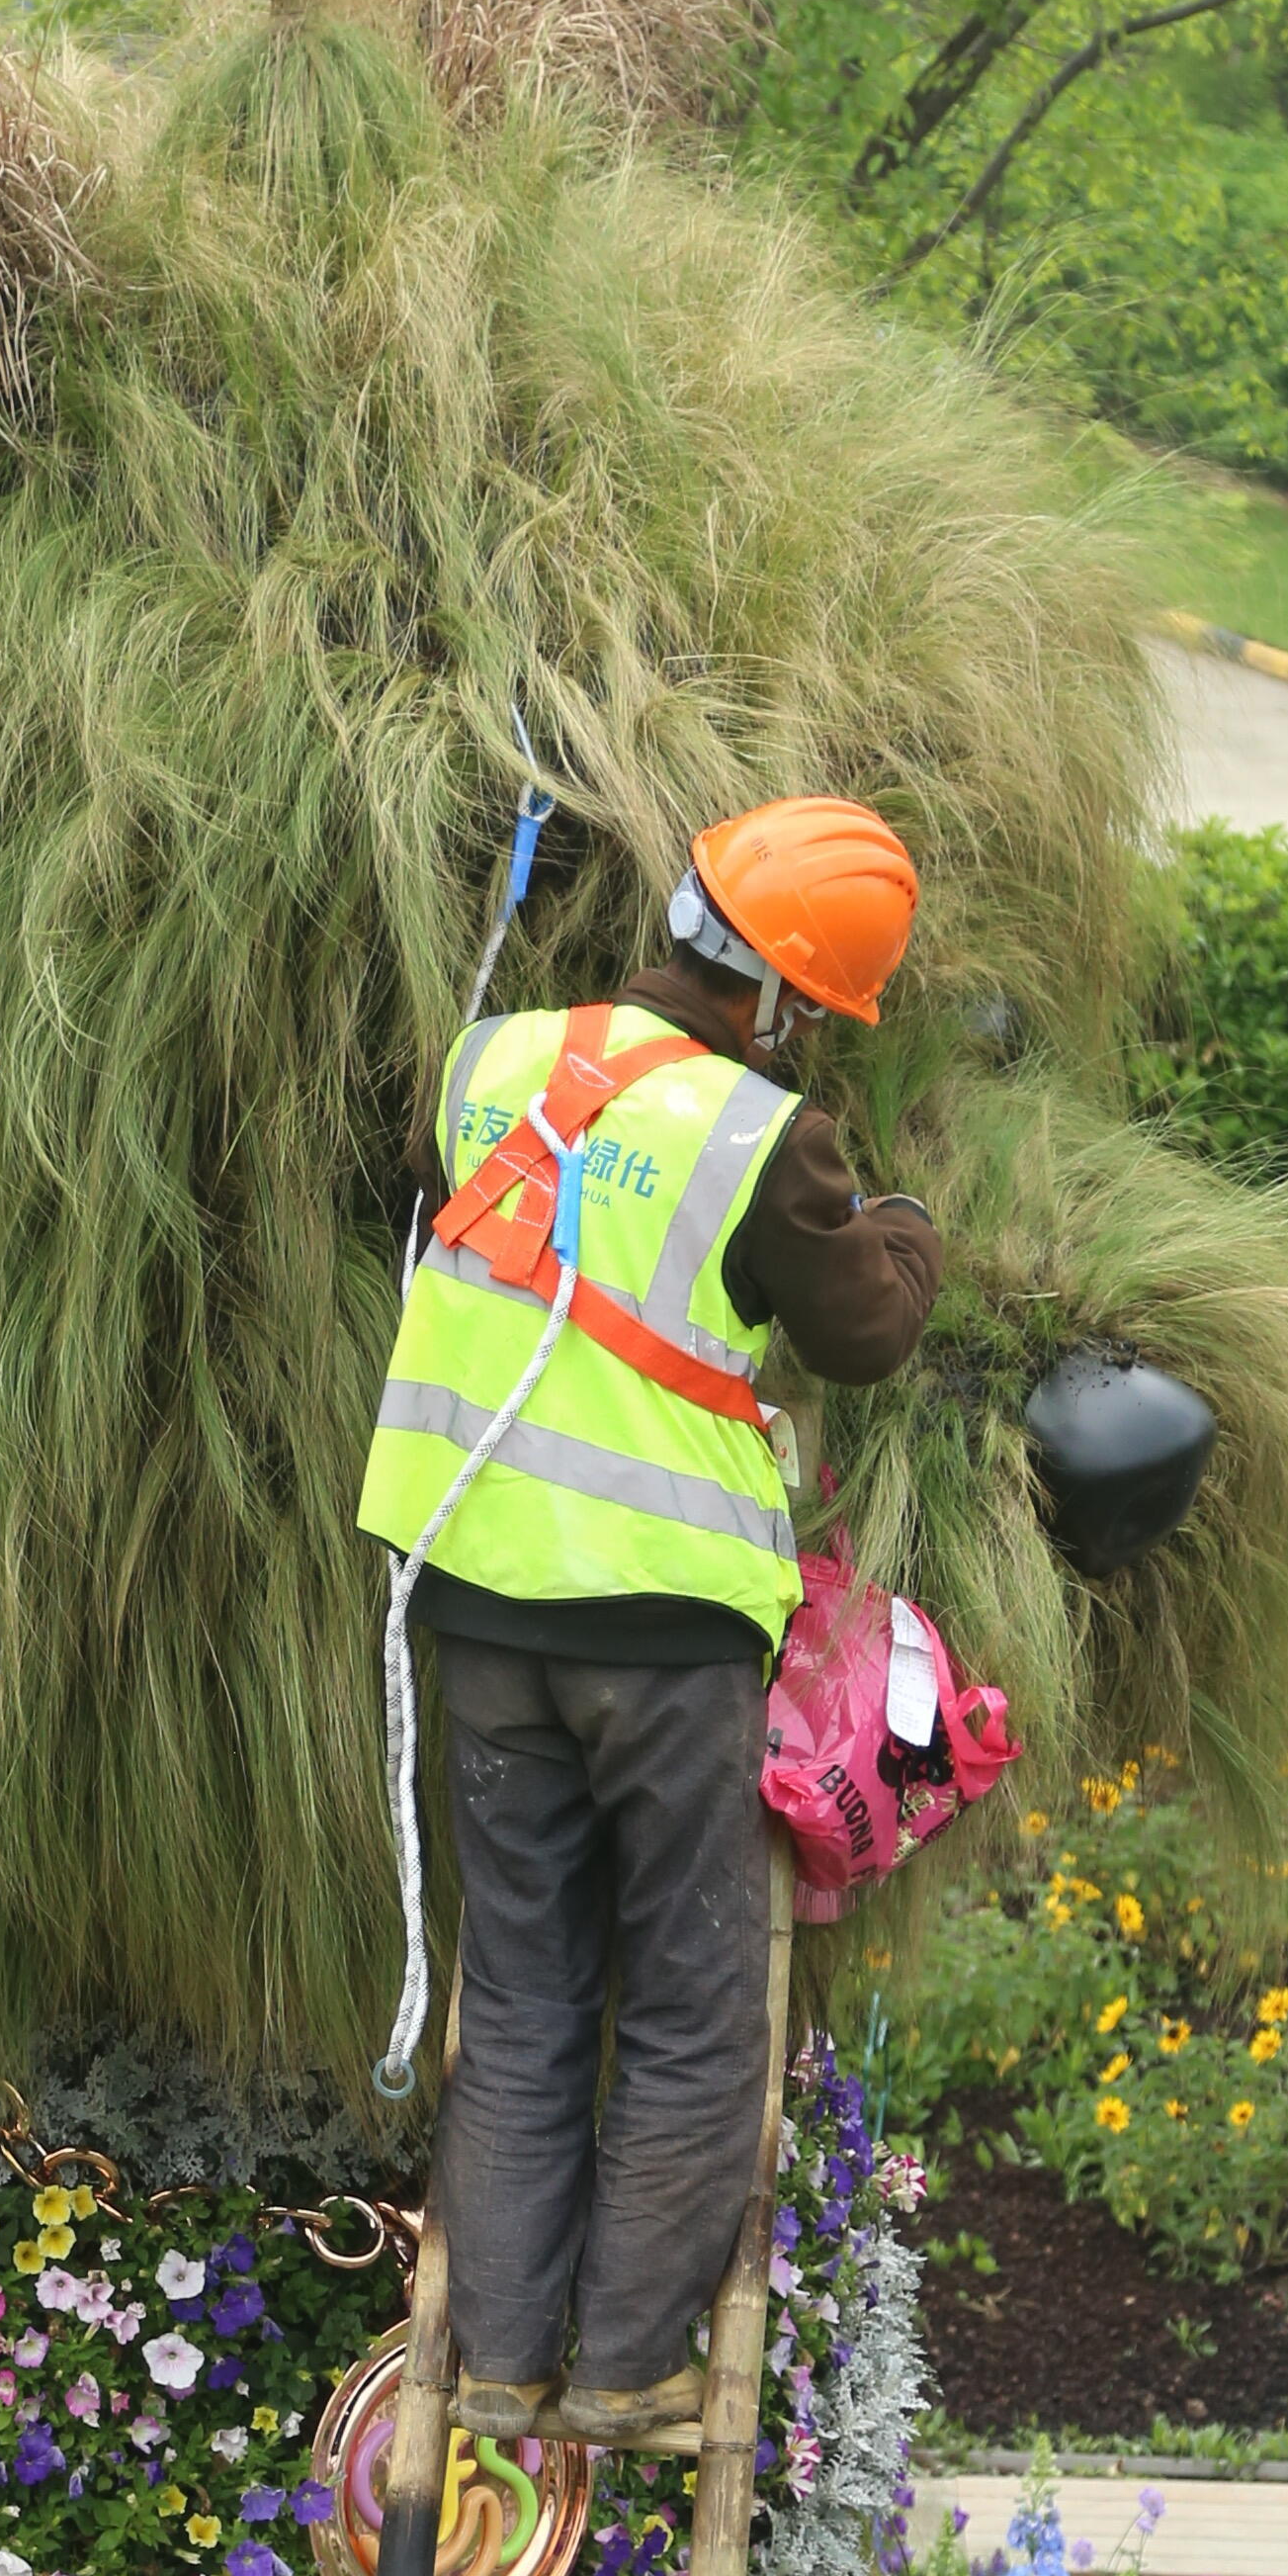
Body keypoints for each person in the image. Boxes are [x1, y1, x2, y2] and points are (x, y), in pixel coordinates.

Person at [356, 798, 942, 2439]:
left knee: (529, 1986)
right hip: (662, 1633)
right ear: (779, 1000)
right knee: (686, 2006)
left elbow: (453, 1204)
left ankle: (494, 2363)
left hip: (475, 1605)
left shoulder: (490, 1062)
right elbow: (865, 1333)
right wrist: (906, 1233)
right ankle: (621, 2366)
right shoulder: (761, 1139)